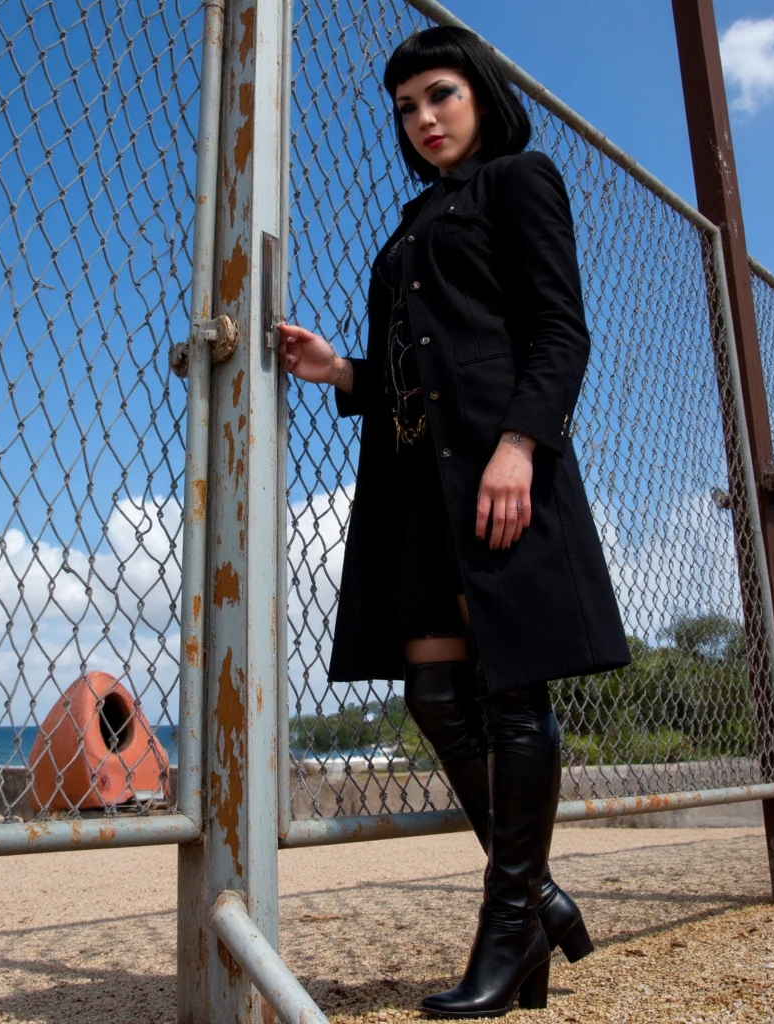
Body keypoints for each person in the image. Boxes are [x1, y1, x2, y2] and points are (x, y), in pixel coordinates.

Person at [278, 25, 630, 1019]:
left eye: (438, 95)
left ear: (478, 93)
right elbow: (415, 358)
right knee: (436, 693)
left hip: (497, 470)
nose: (422, 119)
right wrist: (339, 370)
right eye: (404, 107)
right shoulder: (410, 222)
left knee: (511, 696)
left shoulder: (520, 180)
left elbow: (561, 330)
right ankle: (539, 896)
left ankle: (507, 923)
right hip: (413, 488)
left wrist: (522, 443)